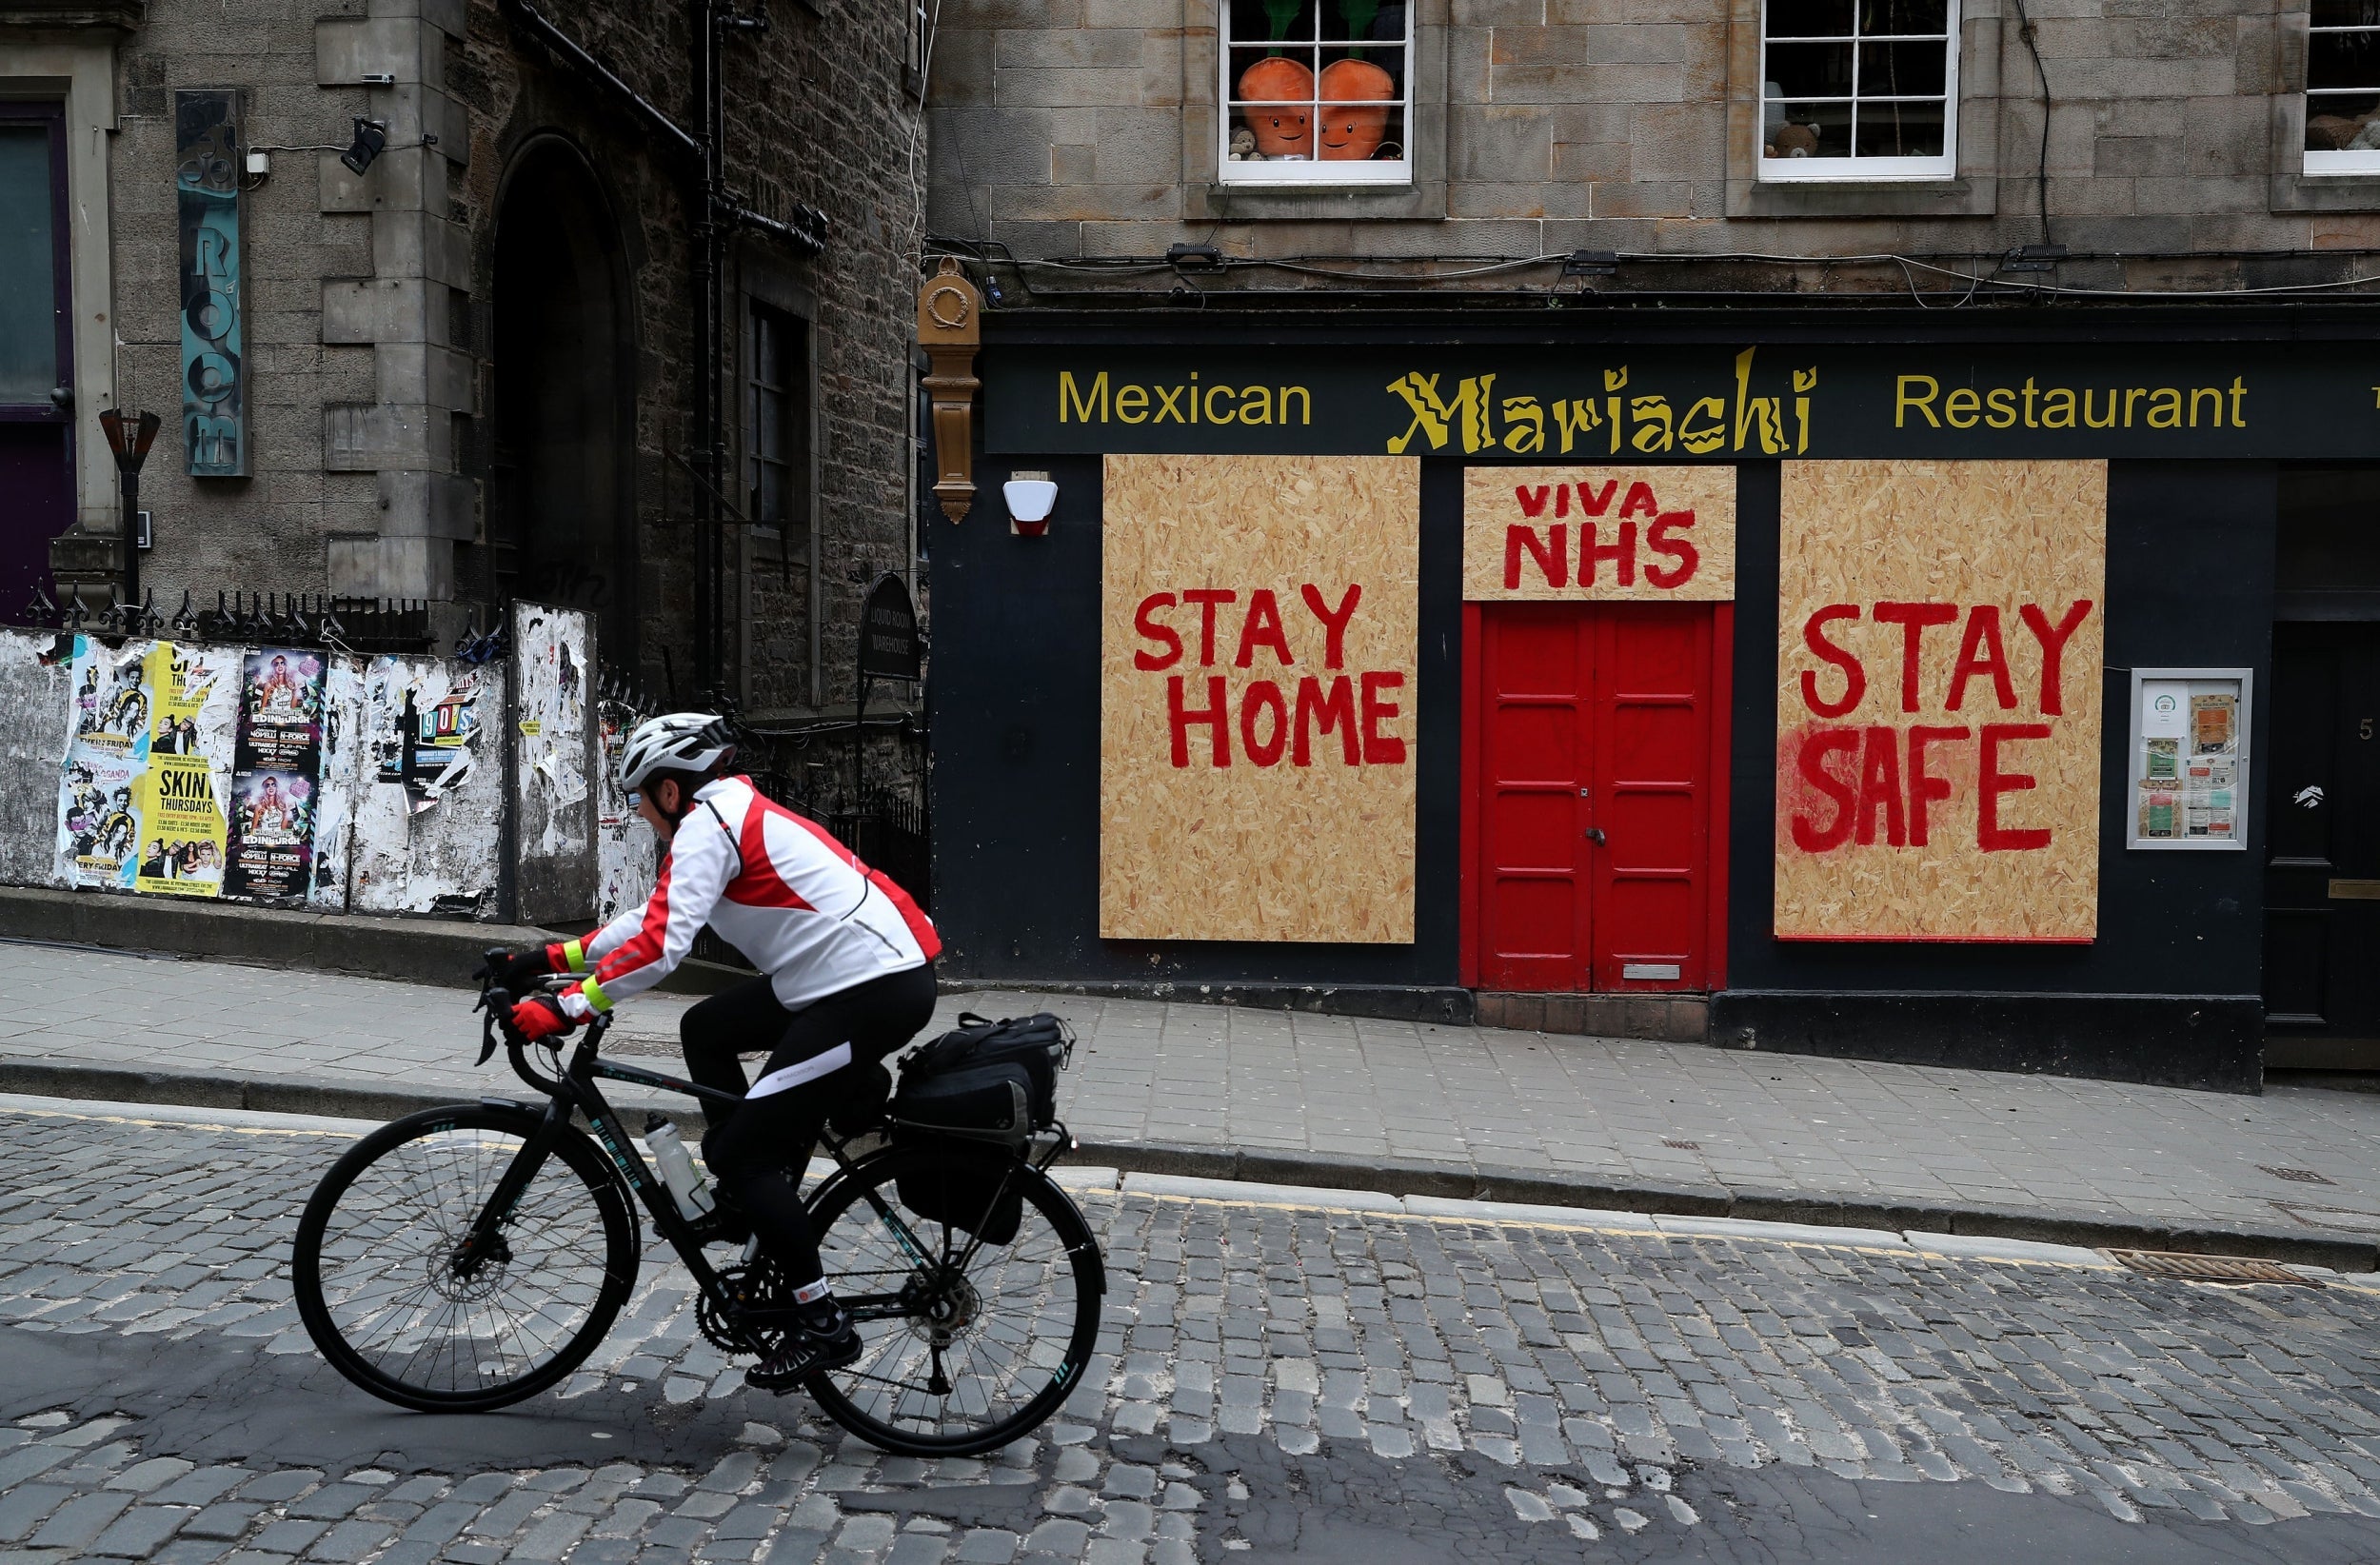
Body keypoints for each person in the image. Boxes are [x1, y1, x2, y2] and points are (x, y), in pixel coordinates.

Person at [492, 713, 940, 1393]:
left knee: (738, 1152)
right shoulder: (722, 814)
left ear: (671, 791)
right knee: (707, 1029)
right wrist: (548, 957)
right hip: (834, 980)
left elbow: (662, 949)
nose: (643, 817)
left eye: (643, 801)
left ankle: (821, 1322)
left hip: (870, 990)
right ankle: (753, 1192)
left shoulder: (709, 824)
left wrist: (566, 1006)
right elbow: (654, 919)